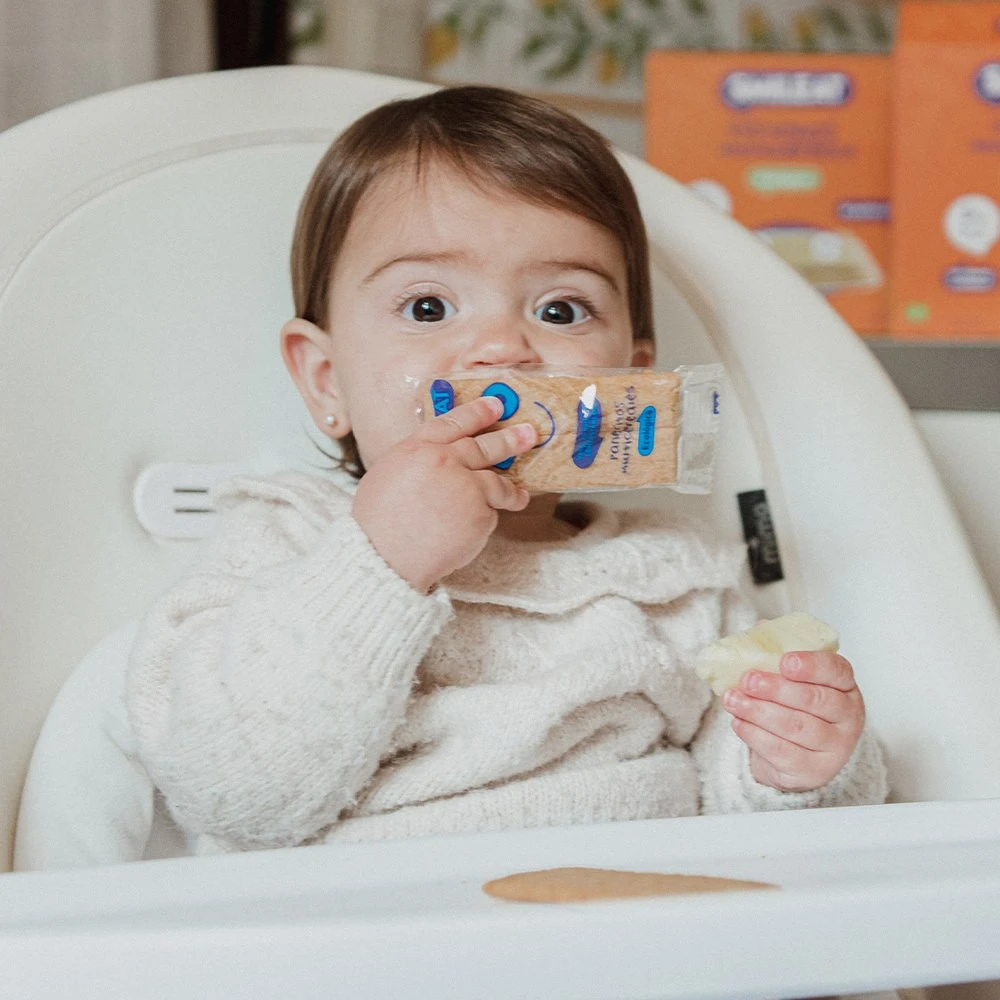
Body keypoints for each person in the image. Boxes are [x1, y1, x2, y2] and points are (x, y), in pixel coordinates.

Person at [125, 85, 887, 855]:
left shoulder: (676, 580)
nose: (502, 348)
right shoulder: (284, 542)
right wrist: (379, 565)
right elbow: (232, 797)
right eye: (428, 307)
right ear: (327, 381)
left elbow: (759, 833)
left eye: (561, 310)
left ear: (632, 382)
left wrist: (796, 767)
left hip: (637, 913)